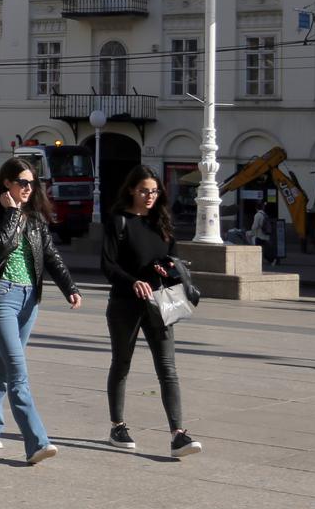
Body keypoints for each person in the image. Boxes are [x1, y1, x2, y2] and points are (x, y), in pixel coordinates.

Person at [0, 156, 81, 465]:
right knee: (18, 371)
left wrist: (69, 287)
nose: (29, 188)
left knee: (4, 367)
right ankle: (37, 442)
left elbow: (51, 255)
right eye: (23, 183)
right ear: (7, 183)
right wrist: (12, 212)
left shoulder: (35, 219)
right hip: (2, 296)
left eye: (32, 183)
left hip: (30, 298)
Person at [101, 166, 202, 458]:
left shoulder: (162, 221)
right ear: (132, 189)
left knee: (167, 369)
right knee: (121, 363)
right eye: (144, 190)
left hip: (160, 303)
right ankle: (117, 426)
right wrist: (133, 282)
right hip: (124, 303)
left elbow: (174, 262)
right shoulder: (119, 220)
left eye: (154, 191)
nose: (149, 196)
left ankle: (178, 435)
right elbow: (108, 265)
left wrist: (167, 270)